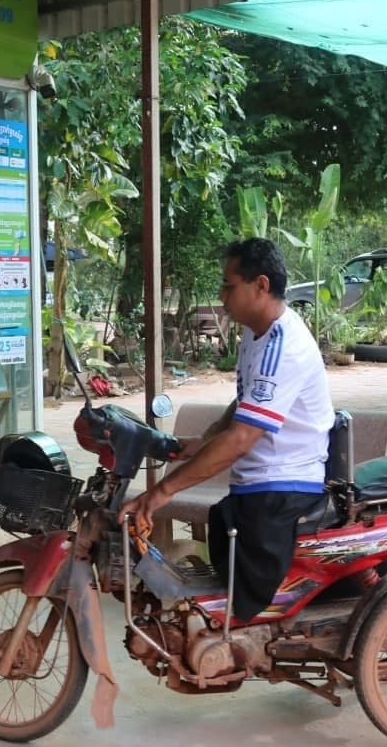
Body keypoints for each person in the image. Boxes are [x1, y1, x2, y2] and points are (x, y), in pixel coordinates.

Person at [119, 237, 334, 623]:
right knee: (221, 525)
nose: (221, 297)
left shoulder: (284, 346)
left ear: (261, 286)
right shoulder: (257, 333)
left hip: (283, 488)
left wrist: (161, 492)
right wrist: (202, 442)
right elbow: (245, 405)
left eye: (228, 286)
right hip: (261, 484)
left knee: (238, 574)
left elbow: (241, 439)